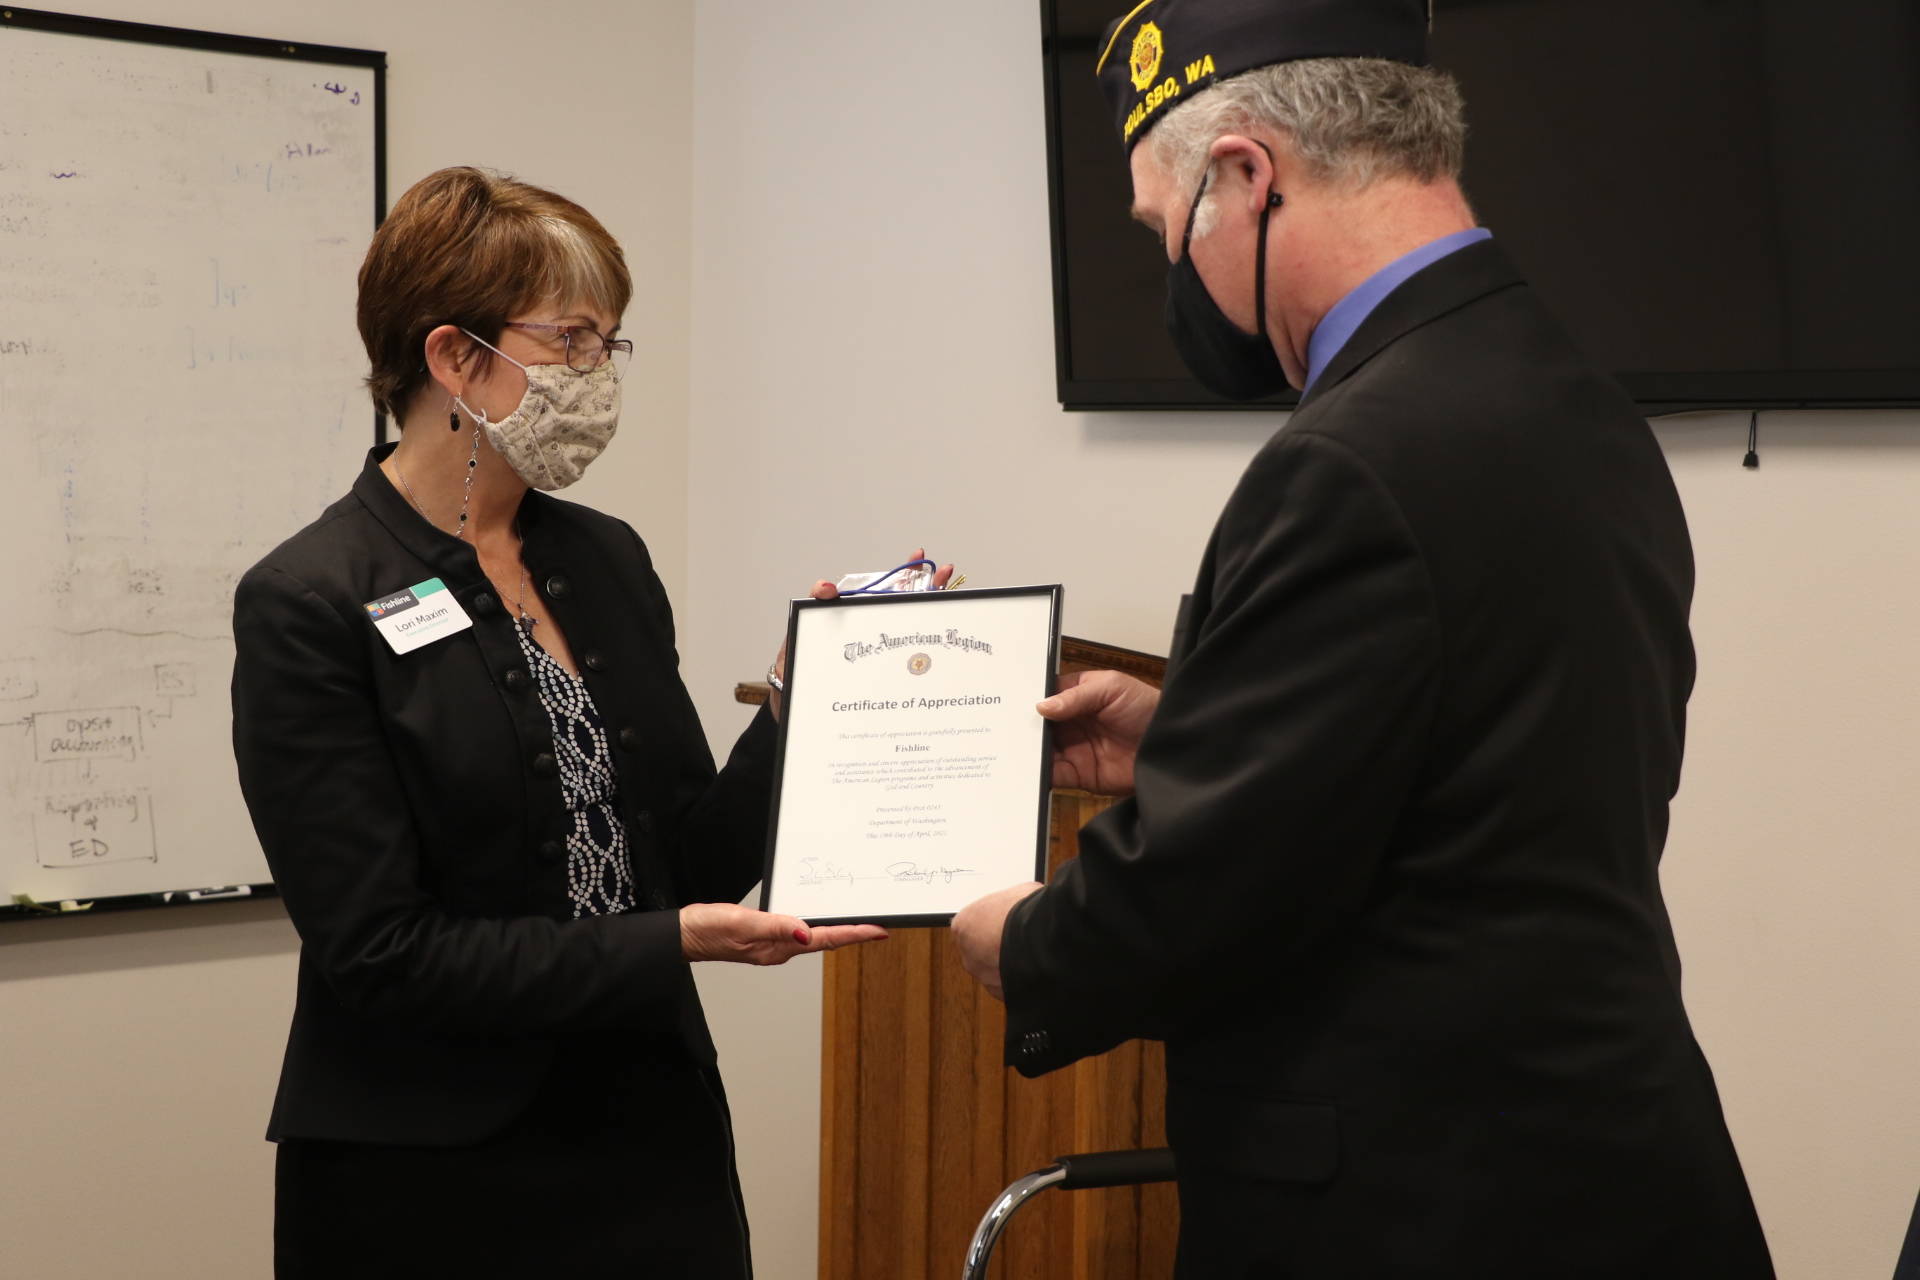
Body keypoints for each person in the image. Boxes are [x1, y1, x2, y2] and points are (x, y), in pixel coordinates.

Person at [952, 2, 1774, 1275]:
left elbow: (1198, 905)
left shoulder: (1351, 460)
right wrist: (1195, 739)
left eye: (1166, 232)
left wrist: (1019, 938)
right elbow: (1486, 757)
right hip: (1608, 1168)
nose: (1174, 270)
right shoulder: (1573, 396)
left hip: (1427, 1204)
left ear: (1244, 174)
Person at [231, 166, 940, 1278]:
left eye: (612, 343)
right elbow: (380, 954)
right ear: (456, 358)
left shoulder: (604, 556)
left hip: (651, 1141)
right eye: (572, 340)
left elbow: (690, 855)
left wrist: (811, 693)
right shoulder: (312, 598)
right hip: (428, 1180)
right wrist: (675, 941)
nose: (599, 375)